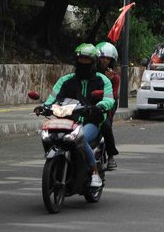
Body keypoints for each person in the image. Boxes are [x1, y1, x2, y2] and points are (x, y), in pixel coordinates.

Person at [35, 43, 114, 187]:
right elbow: (52, 98)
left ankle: (95, 173)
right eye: (81, 59)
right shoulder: (65, 80)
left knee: (80, 138)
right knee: (49, 136)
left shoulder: (102, 80)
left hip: (91, 122)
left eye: (87, 60)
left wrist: (99, 106)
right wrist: (44, 107)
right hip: (67, 121)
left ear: (94, 62)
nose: (83, 62)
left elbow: (109, 99)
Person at [95, 41, 120, 170]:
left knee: (106, 125)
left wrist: (108, 81)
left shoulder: (114, 77)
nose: (104, 61)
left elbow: (113, 95)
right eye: (102, 58)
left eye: (108, 58)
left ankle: (111, 156)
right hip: (88, 102)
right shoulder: (90, 74)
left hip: (108, 104)